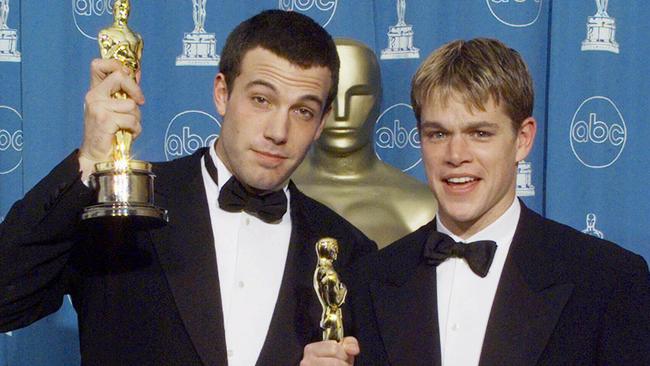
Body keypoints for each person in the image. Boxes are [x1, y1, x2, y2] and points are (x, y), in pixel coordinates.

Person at [0, 10, 375, 365]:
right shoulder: (123, 204)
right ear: (222, 93)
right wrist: (89, 161)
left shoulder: (348, 252)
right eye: (261, 99)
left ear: (323, 121)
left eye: (302, 111)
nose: (278, 132)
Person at [303, 38, 650, 365]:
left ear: (523, 139)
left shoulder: (608, 281)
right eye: (438, 134)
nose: (456, 155)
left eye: (480, 133)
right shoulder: (367, 281)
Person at [293, 38, 436, 248]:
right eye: (330, 97)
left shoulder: (423, 205)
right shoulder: (272, 196)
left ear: (379, 100)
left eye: (358, 95)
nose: (342, 114)